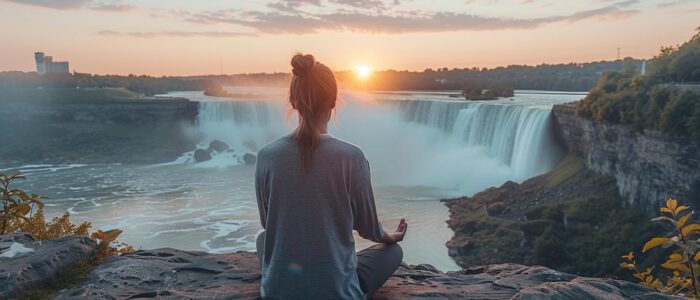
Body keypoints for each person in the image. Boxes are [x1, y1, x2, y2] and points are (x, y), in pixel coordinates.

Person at [255, 53, 408, 300]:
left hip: (276, 293)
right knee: (393, 252)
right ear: (333, 101)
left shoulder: (266, 155)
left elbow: (267, 222)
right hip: (337, 293)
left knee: (263, 239)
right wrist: (392, 236)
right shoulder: (351, 156)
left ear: (293, 102)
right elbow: (369, 228)